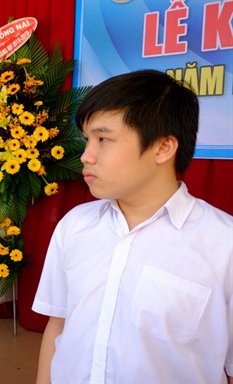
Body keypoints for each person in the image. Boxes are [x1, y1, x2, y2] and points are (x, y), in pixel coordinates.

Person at [32, 70, 233, 383]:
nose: (86, 156)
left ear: (163, 148)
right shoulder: (74, 226)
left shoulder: (223, 244)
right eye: (87, 139)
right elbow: (58, 325)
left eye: (104, 139)